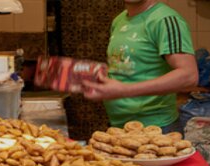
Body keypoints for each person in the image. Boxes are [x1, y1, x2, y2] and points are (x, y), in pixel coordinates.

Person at [82, 0, 197, 134]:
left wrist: (124, 90)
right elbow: (131, 67)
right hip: (119, 127)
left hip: (156, 129)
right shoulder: (119, 20)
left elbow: (189, 76)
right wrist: (101, 81)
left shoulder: (166, 20)